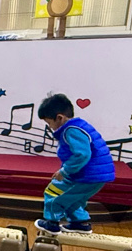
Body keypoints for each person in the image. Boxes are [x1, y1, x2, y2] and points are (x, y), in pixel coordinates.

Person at [35, 93, 115, 234]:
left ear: (59, 118)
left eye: (49, 123)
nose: (50, 127)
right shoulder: (79, 125)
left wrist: (64, 171)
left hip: (88, 174)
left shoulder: (71, 130)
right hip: (96, 175)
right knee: (73, 198)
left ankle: (52, 223)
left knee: (53, 192)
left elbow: (82, 154)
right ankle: (80, 223)